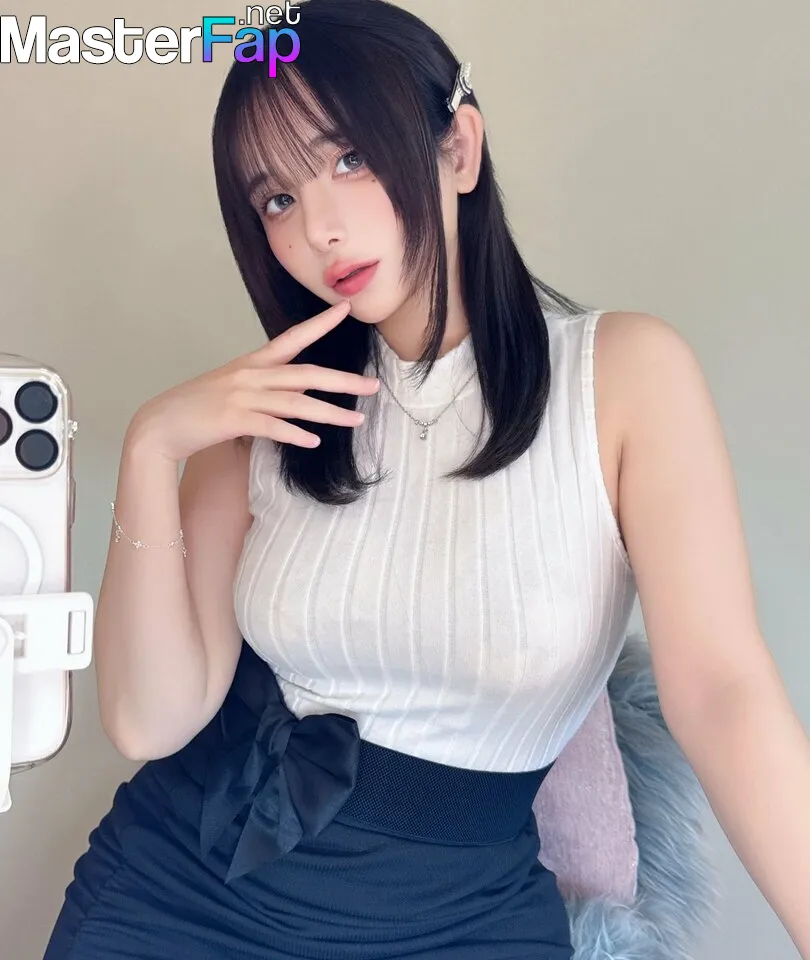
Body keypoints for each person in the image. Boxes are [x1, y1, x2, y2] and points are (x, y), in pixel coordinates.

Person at [42, 1, 810, 959]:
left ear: (459, 149)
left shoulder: (624, 378)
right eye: (276, 199)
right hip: (184, 894)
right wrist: (154, 448)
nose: (319, 227)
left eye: (349, 158)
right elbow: (146, 720)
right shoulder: (262, 425)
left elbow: (724, 693)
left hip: (460, 919)